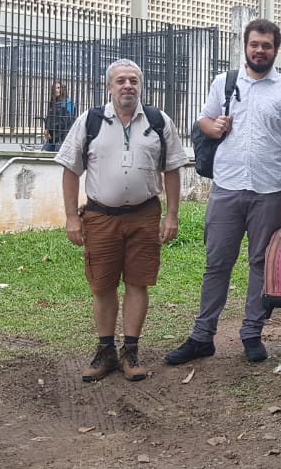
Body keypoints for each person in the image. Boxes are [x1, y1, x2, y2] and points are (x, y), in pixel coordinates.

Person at [166, 19, 281, 365]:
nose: (260, 50)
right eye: (255, 44)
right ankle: (202, 337)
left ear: (276, 50)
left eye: (267, 45)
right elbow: (203, 120)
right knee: (217, 264)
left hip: (271, 190)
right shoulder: (224, 82)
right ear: (245, 46)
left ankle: (251, 334)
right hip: (227, 187)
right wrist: (211, 126)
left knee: (261, 263)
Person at [54, 59, 192, 382]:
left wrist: (172, 214)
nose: (127, 85)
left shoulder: (157, 122)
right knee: (102, 285)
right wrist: (71, 217)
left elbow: (172, 169)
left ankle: (130, 351)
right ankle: (105, 351)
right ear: (109, 86)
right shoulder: (91, 121)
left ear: (140, 85)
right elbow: (70, 170)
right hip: (101, 217)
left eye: (133, 80)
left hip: (144, 216)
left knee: (137, 282)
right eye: (121, 81)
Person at [44, 81, 76, 152]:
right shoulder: (53, 103)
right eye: (54, 88)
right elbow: (49, 117)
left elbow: (66, 121)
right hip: (52, 137)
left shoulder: (67, 103)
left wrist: (49, 129)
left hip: (62, 137)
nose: (56, 90)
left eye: (58, 88)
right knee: (44, 157)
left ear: (62, 90)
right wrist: (46, 129)